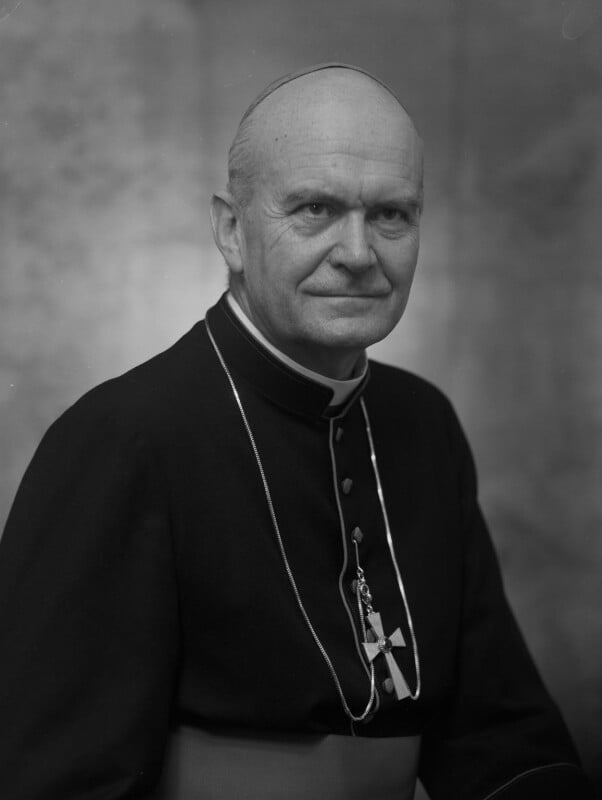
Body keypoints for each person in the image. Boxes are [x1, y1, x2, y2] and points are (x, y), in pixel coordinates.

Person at [0, 63, 593, 800]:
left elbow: (499, 737)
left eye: (391, 214)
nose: (358, 253)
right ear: (231, 231)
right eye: (315, 209)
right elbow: (56, 781)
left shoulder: (425, 426)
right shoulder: (120, 441)